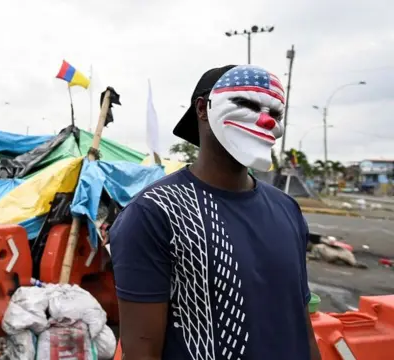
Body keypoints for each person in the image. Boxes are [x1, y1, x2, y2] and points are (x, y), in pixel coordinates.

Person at [110, 65, 321, 360]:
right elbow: (141, 351)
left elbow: (302, 326)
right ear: (202, 109)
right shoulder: (155, 213)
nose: (265, 120)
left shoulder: (287, 209)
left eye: (276, 114)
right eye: (246, 104)